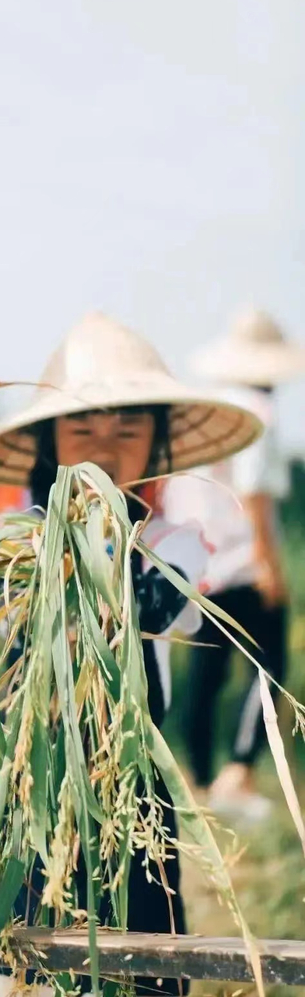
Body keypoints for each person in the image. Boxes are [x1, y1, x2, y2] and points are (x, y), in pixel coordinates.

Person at [0, 313, 262, 997]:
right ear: (47, 442)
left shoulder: (172, 547)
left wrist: (99, 534)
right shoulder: (8, 544)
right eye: (83, 430)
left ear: (156, 442)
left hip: (129, 790)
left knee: (128, 972)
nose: (105, 448)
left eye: (128, 430)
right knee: (9, 975)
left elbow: (152, 609)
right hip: (26, 783)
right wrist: (50, 538)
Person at [162, 308, 305, 822]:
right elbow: (255, 492)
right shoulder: (258, 415)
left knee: (205, 671)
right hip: (244, 562)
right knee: (270, 670)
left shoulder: (207, 414)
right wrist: (271, 564)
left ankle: (198, 783)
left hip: (200, 564)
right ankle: (238, 771)